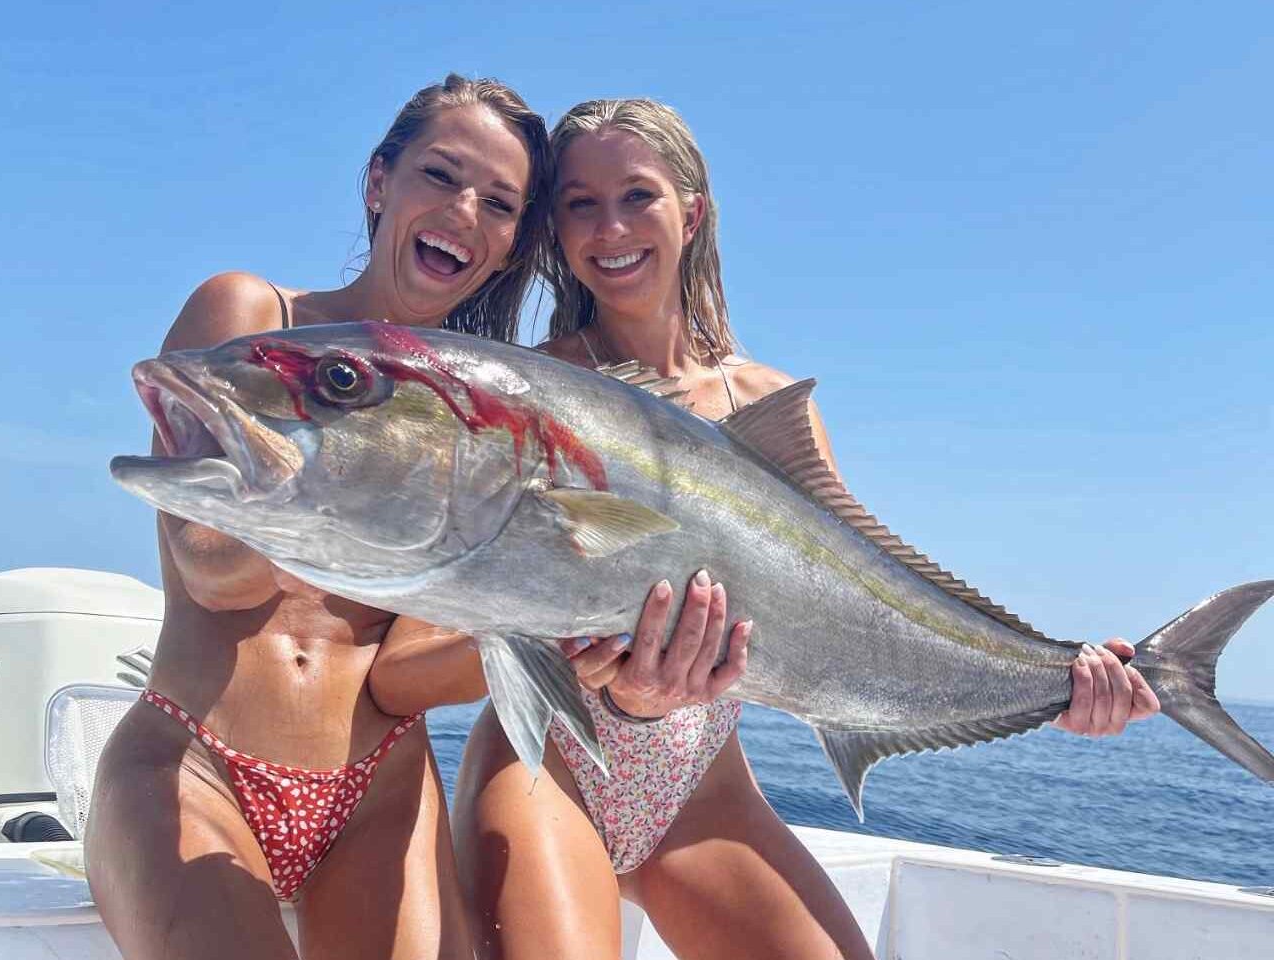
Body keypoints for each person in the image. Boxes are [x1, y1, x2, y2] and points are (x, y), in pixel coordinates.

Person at [431, 98, 1158, 960]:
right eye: (580, 203)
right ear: (556, 227)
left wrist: (1051, 687)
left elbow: (871, 612)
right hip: (545, 773)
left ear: (691, 213)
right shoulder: (528, 391)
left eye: (638, 195)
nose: (611, 227)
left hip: (703, 794)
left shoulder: (773, 409)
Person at [87, 74, 552, 960]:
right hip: (193, 762)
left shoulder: (477, 423)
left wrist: (555, 634)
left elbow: (402, 674)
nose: (464, 211)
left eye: (499, 204)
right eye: (441, 174)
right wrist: (331, 481)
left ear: (505, 249)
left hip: (378, 790)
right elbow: (211, 573)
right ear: (379, 182)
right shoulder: (254, 321)